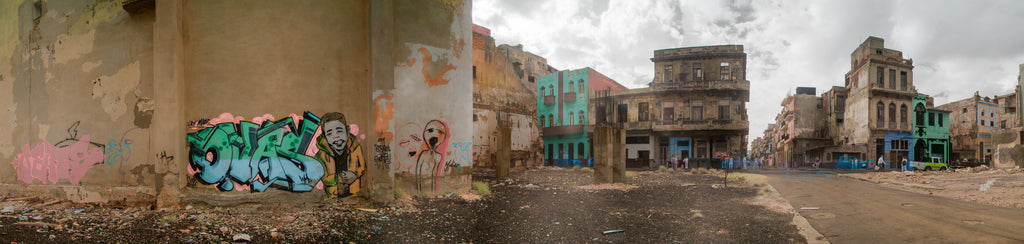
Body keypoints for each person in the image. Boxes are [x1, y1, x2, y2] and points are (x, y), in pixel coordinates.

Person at [316, 112, 365, 198]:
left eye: (339, 131)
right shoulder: (322, 154)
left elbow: (362, 166)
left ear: (347, 131)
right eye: (329, 133)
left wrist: (354, 175)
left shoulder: (355, 147)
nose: (336, 137)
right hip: (333, 195)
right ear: (325, 137)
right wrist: (337, 178)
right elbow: (324, 178)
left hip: (353, 193)